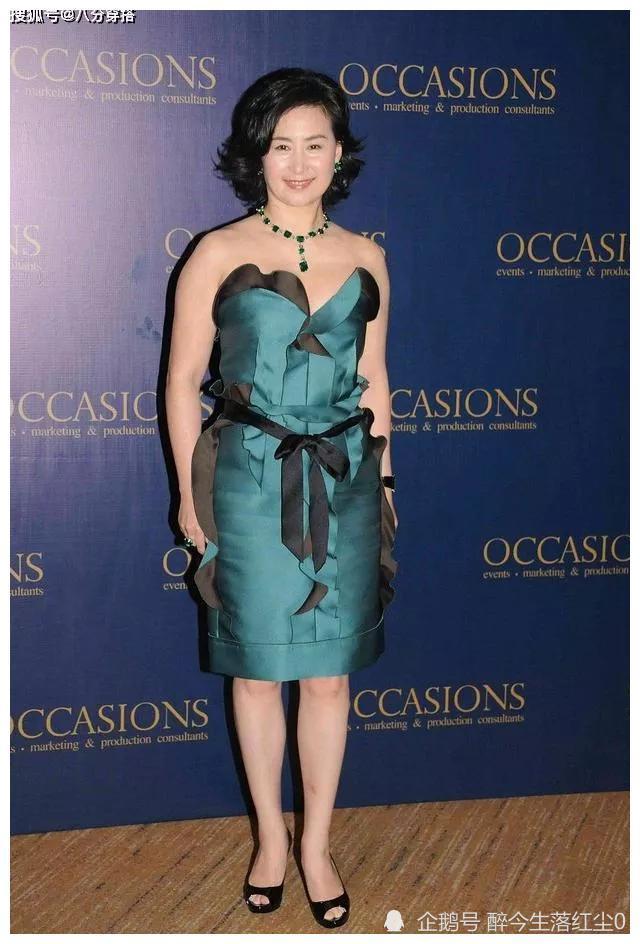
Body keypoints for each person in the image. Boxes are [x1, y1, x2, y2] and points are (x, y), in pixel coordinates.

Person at [165, 67, 398, 929]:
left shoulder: (368, 257)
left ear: (339, 154)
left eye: (315, 145)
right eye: (280, 146)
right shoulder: (216, 253)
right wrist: (190, 495)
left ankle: (317, 846)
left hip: (345, 480)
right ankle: (270, 838)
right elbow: (181, 382)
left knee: (331, 680)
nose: (298, 164)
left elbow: (376, 381)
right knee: (259, 676)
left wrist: (386, 483)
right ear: (256, 155)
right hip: (248, 482)